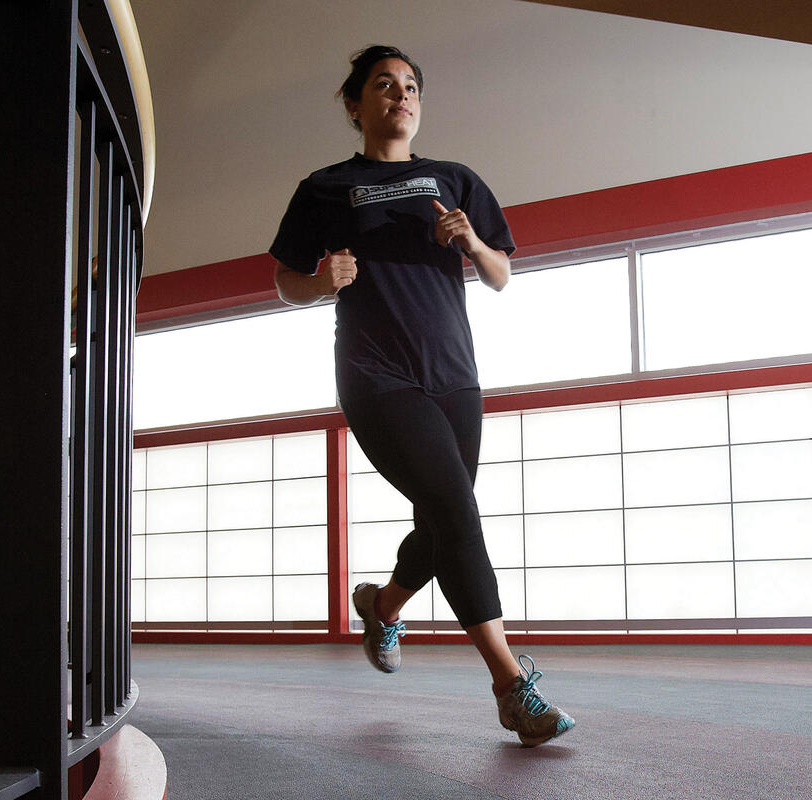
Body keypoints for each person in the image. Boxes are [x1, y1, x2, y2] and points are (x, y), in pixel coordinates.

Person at [269, 45, 574, 747]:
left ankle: (383, 604)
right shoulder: (325, 186)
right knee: (456, 511)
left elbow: (500, 276)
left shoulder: (455, 179)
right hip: (376, 373)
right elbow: (288, 277)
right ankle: (510, 686)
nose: (400, 95)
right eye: (383, 84)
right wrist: (321, 283)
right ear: (355, 104)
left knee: (445, 515)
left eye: (410, 86)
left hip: (453, 374)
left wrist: (472, 243)